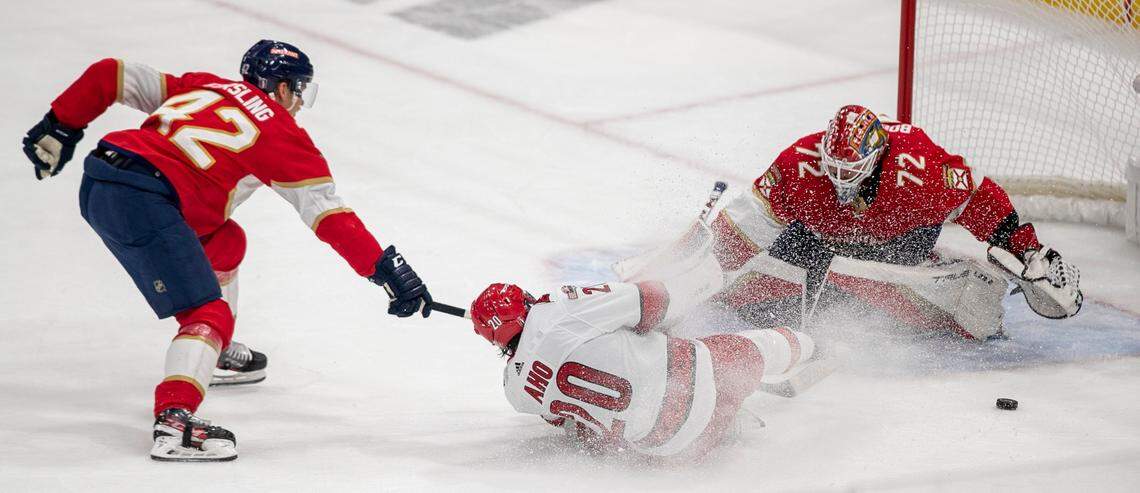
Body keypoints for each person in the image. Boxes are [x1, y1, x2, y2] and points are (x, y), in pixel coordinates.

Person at [20, 40, 433, 461]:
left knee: (226, 240)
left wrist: (61, 123)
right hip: (143, 200)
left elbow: (111, 74)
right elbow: (330, 216)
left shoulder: (209, 87)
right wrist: (385, 269)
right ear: (281, 88)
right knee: (207, 312)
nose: (299, 103)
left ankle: (211, 354)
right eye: (298, 89)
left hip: (103, 175)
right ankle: (174, 422)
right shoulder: (282, 133)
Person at [622, 105, 1083, 339]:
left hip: (900, 239)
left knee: (885, 315)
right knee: (750, 300)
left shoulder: (918, 170)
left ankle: (919, 273)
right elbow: (748, 228)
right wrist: (700, 272)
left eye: (852, 175)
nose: (842, 186)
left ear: (879, 157)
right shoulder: (800, 163)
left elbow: (979, 198)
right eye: (834, 172)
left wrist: (1027, 248)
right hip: (820, 239)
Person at [468, 277, 817, 461]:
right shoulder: (559, 310)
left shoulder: (514, 392)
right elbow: (653, 299)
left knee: (595, 430)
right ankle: (813, 344)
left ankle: (732, 423)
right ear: (526, 304)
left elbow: (565, 422)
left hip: (666, 447)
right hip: (698, 377)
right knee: (747, 349)